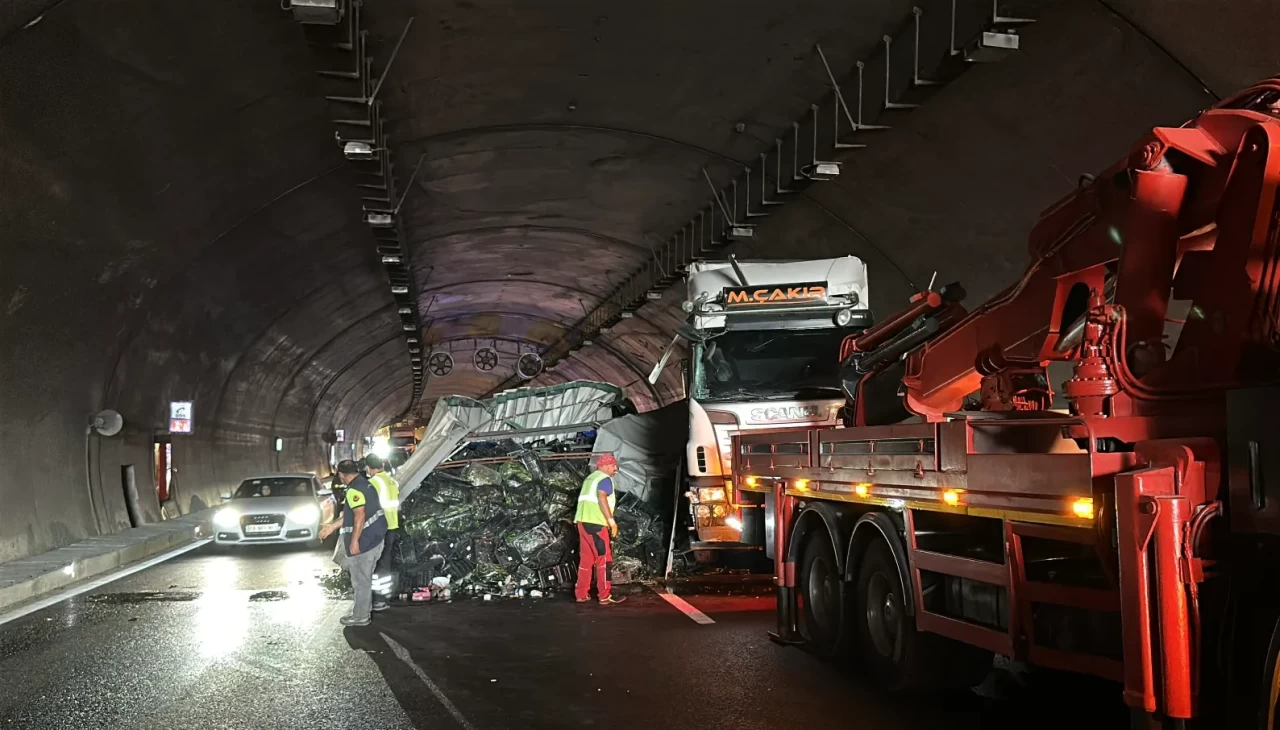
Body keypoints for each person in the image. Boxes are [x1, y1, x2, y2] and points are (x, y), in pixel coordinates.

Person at [318, 459, 387, 626]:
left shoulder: (354, 490)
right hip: (376, 538)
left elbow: (359, 516)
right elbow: (351, 515)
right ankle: (363, 610)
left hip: (365, 542)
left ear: (341, 475)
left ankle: (360, 617)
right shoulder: (366, 484)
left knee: (361, 581)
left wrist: (355, 542)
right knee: (365, 578)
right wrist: (332, 527)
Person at [574, 453, 625, 605]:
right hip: (596, 525)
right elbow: (602, 497)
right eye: (612, 465)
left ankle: (581, 594)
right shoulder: (604, 479)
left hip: (582, 522)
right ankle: (604, 595)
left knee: (586, 560)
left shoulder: (590, 479)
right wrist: (612, 522)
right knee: (605, 559)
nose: (615, 469)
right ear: (603, 466)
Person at [365, 454, 400, 612]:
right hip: (392, 526)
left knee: (376, 564)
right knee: (385, 563)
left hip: (379, 529)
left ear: (369, 468)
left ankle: (379, 600)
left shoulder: (373, 483)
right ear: (383, 466)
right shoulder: (392, 481)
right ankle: (384, 596)